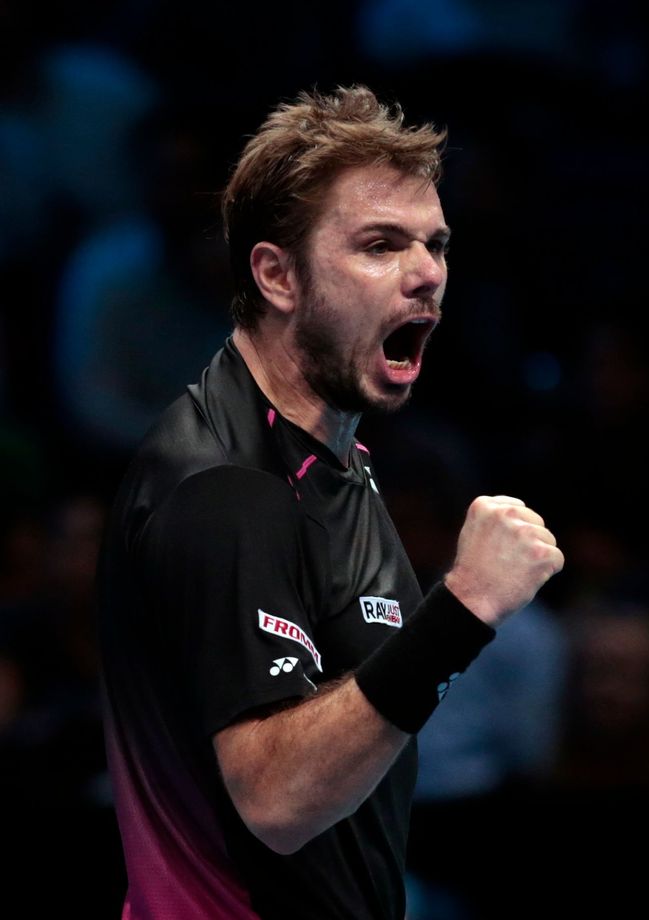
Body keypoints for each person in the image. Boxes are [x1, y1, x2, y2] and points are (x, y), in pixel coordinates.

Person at [97, 85, 564, 920]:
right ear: (277, 273)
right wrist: (465, 609)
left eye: (435, 244)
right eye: (380, 245)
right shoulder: (226, 487)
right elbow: (276, 801)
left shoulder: (328, 450)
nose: (427, 274)